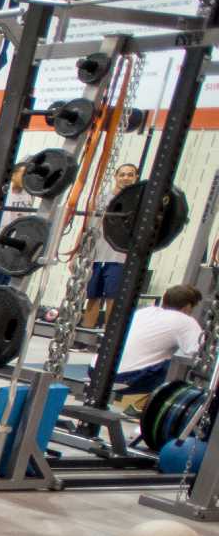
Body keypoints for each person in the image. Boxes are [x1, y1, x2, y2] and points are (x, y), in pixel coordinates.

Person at [115, 284, 205, 395]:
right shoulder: (186, 320)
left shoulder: (145, 312)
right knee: (180, 368)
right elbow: (199, 353)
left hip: (98, 372)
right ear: (187, 307)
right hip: (127, 379)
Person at [83, 162, 142, 327]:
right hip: (96, 256)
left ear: (136, 178)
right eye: (122, 174)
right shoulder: (101, 199)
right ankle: (84, 338)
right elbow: (88, 228)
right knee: (92, 296)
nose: (126, 178)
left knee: (112, 299)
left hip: (120, 259)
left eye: (130, 174)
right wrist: (79, 254)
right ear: (115, 177)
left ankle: (106, 338)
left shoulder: (139, 202)